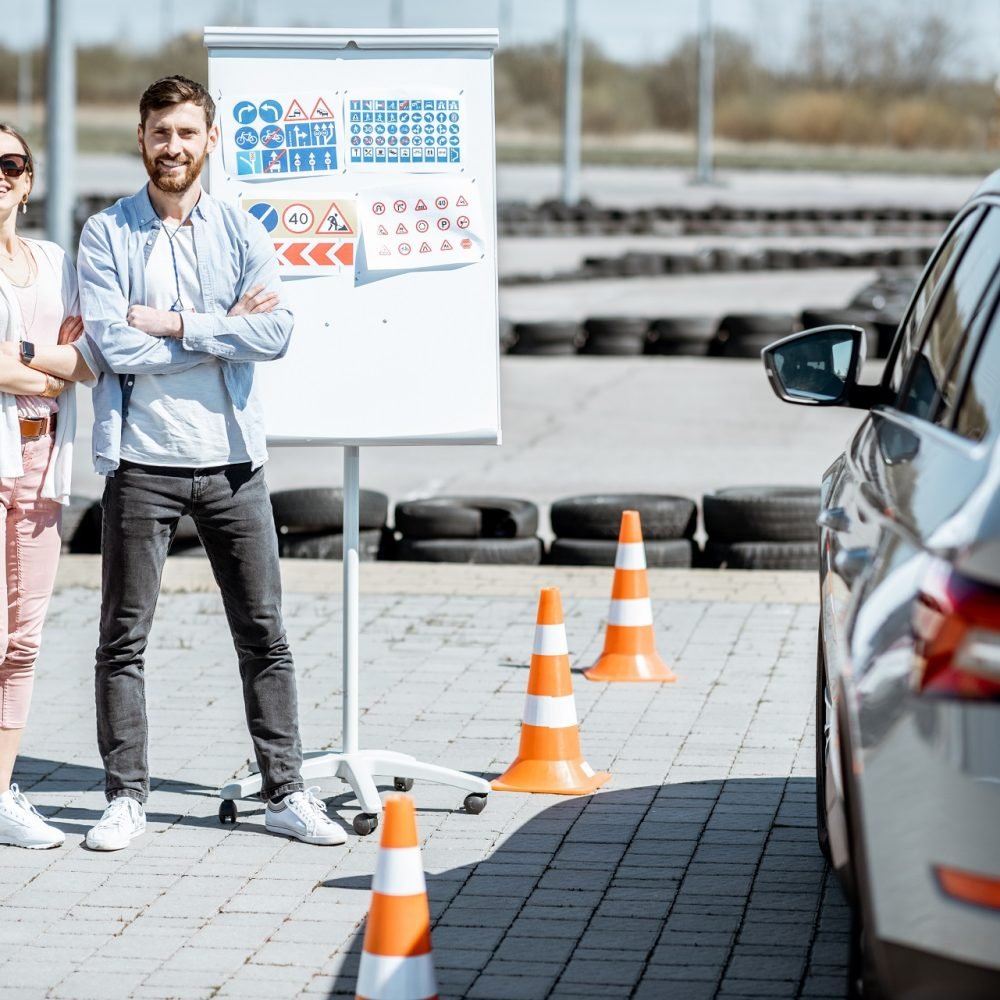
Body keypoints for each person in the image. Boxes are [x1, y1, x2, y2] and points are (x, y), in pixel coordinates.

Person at [74, 75, 345, 851]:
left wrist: (176, 323)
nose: (173, 148)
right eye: (161, 133)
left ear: (210, 140)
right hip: (142, 464)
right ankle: (126, 798)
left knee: (264, 634)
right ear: (140, 138)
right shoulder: (107, 234)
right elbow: (111, 343)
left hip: (233, 466)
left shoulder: (240, 229)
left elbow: (278, 333)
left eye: (188, 134)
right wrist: (222, 326)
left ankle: (287, 793)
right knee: (122, 640)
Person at [0, 125, 95, 849]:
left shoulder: (57, 263)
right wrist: (45, 372)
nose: (0, 175)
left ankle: (0, 791)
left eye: (11, 163)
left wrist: (29, 363)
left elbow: (89, 362)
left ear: (29, 180)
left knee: (23, 639)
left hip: (44, 465)